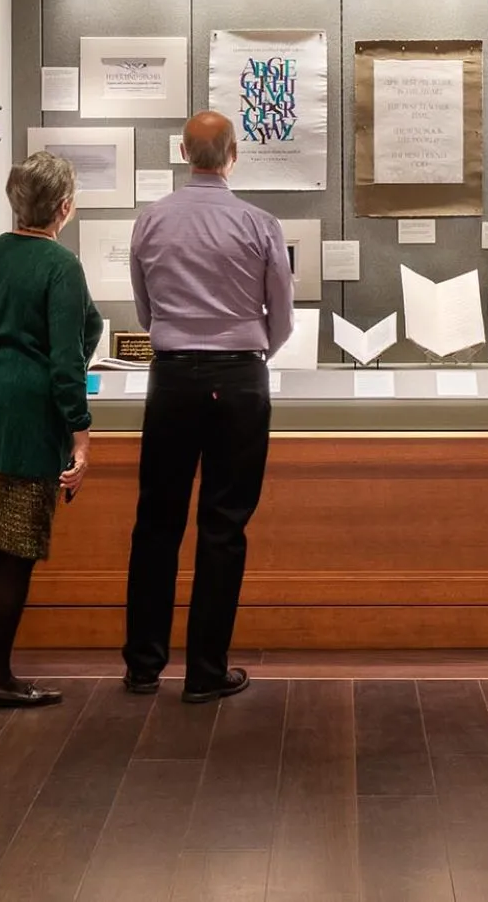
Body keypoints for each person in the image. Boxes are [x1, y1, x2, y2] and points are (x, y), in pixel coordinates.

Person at [122, 109, 292, 703]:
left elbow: (145, 313)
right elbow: (283, 318)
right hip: (240, 378)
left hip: (170, 377)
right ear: (232, 154)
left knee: (157, 522)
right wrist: (245, 352)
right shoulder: (259, 224)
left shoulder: (151, 220)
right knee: (223, 526)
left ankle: (143, 665)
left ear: (182, 152)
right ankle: (205, 672)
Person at [0, 149, 103, 708]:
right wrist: (80, 433)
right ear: (64, 207)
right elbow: (65, 361)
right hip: (25, 415)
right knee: (19, 547)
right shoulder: (60, 266)